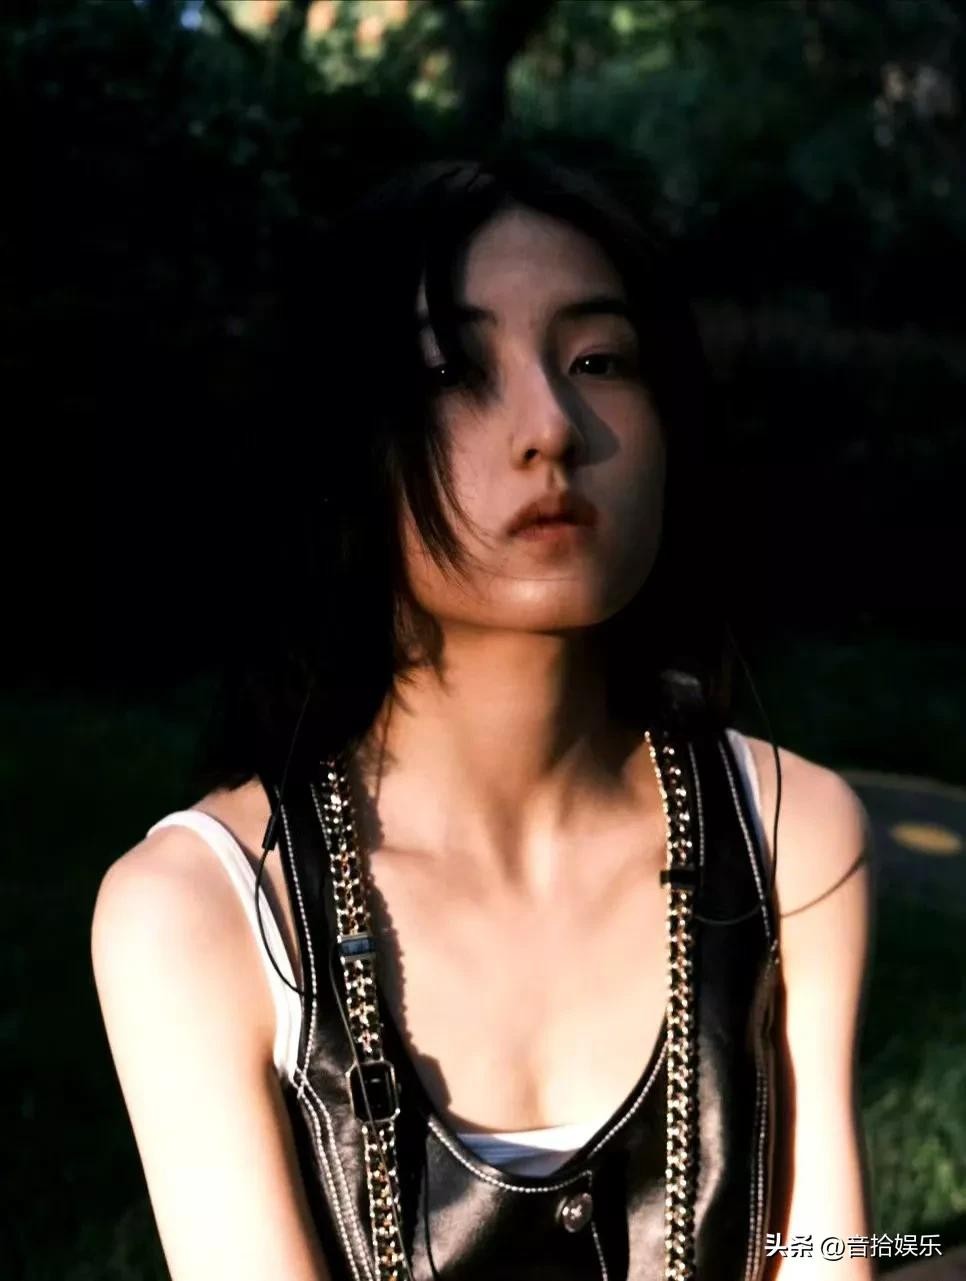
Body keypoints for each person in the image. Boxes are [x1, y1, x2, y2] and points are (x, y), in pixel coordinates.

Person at [91, 151, 874, 1281]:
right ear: (345, 445)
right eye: (452, 371)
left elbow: (830, 1249)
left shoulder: (792, 834)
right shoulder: (198, 910)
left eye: (599, 360)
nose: (551, 427)